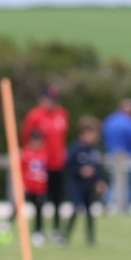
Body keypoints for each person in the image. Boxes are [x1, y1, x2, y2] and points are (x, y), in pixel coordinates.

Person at [20, 85, 70, 242]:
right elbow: (27, 138)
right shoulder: (35, 116)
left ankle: (56, 229)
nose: (51, 102)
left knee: (57, 199)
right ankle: (38, 230)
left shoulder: (62, 114)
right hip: (41, 165)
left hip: (58, 164)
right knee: (39, 200)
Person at [61, 117, 106, 247]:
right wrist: (80, 170)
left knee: (90, 212)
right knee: (76, 209)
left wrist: (100, 181)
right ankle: (65, 236)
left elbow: (98, 168)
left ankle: (90, 239)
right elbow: (67, 165)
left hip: (89, 186)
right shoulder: (75, 148)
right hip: (76, 185)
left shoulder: (94, 150)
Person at [101, 99, 131, 213]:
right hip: (128, 157)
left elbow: (103, 138)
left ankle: (107, 202)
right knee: (128, 185)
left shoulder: (109, 120)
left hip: (110, 156)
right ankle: (126, 208)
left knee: (114, 184)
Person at [21, 130, 52, 245]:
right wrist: (22, 185)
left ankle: (38, 232)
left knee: (39, 210)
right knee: (18, 205)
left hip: (40, 188)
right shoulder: (25, 153)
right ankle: (6, 225)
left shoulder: (44, 153)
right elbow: (21, 170)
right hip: (28, 187)